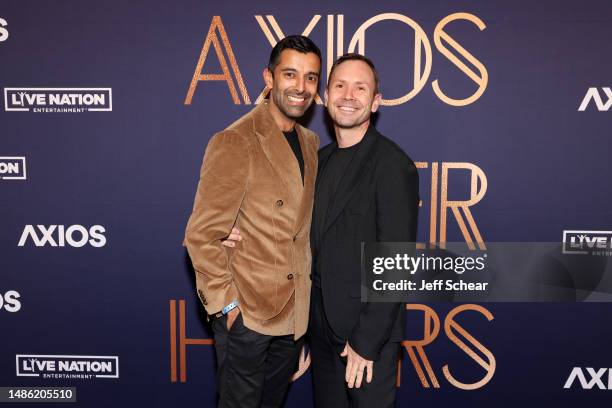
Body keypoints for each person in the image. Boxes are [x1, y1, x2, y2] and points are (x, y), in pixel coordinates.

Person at [225, 53, 420, 407]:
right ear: (326, 97)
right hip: (321, 330)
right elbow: (297, 236)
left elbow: (397, 261)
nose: (349, 95)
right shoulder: (319, 160)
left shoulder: (393, 165)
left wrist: (367, 341)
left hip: (364, 337)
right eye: (340, 86)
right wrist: (236, 232)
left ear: (375, 102)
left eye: (361, 88)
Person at [184, 35, 321, 408]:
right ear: (269, 77)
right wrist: (227, 308)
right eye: (290, 74)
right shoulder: (236, 139)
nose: (301, 87)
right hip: (248, 313)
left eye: (311, 78)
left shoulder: (309, 141)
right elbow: (202, 235)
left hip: (293, 317)